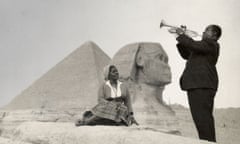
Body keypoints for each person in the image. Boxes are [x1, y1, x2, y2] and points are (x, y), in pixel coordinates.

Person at [174, 24, 222, 142]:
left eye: (207, 30)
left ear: (214, 35)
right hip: (198, 85)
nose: (203, 32)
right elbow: (186, 54)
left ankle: (208, 142)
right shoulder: (202, 48)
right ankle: (208, 141)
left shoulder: (211, 44)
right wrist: (180, 38)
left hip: (202, 85)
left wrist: (182, 35)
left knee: (203, 119)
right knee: (201, 120)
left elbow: (193, 45)